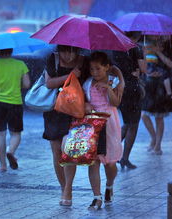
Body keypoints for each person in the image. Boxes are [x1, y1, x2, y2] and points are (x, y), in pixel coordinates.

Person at [43, 45, 125, 201]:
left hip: (83, 114)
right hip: (58, 109)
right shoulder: (53, 59)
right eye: (65, 51)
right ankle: (67, 189)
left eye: (72, 51)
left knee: (76, 152)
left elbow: (112, 69)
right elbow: (49, 83)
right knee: (60, 152)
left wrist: (121, 83)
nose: (68, 55)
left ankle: (79, 189)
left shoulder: (85, 61)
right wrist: (70, 76)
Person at [61, 51, 123, 209]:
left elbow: (115, 103)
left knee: (109, 163)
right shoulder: (88, 83)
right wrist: (85, 105)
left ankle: (109, 185)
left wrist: (108, 88)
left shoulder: (114, 81)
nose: (94, 72)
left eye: (98, 69)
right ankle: (97, 197)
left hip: (109, 125)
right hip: (92, 125)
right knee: (93, 162)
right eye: (92, 69)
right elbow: (82, 101)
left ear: (107, 67)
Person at [112, 31, 146, 170]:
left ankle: (113, 152)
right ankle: (123, 157)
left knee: (127, 123)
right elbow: (144, 69)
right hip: (132, 88)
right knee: (133, 124)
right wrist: (143, 53)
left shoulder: (115, 47)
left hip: (120, 87)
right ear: (137, 35)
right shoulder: (135, 48)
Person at [141, 36, 172, 155]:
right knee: (144, 115)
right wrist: (145, 53)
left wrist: (158, 52)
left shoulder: (170, 47)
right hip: (149, 85)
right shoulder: (146, 43)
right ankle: (154, 138)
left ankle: (158, 145)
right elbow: (143, 67)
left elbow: (171, 64)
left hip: (161, 86)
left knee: (159, 117)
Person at [144, 36, 172, 100]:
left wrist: (157, 51)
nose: (160, 47)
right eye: (159, 45)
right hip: (149, 74)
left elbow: (171, 64)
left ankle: (169, 93)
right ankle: (169, 93)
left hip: (159, 86)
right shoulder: (148, 47)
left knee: (165, 74)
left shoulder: (169, 48)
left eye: (161, 46)